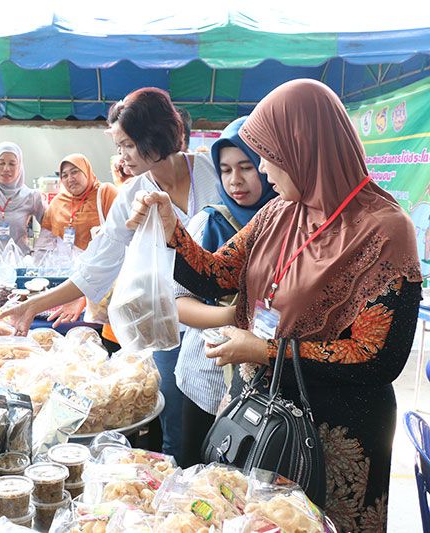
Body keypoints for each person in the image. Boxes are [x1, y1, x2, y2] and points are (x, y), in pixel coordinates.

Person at [126, 79, 420, 531]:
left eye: (268, 154)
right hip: (263, 417)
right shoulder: (279, 212)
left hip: (337, 431)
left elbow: (378, 358)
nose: (262, 168)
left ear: (306, 148)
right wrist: (172, 229)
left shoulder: (384, 230)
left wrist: (264, 350)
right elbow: (217, 274)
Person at [0, 88, 220, 462]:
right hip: (170, 325)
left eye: (129, 145)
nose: (122, 157)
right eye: (119, 147)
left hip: (224, 321)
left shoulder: (213, 173)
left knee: (217, 425)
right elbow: (96, 268)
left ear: (155, 137)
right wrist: (34, 304)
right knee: (176, 429)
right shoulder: (133, 194)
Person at [173, 116, 277, 467]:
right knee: (197, 473)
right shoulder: (209, 222)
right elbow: (177, 304)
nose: (235, 180)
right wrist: (235, 316)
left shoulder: (288, 223)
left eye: (246, 167)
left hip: (264, 384)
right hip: (206, 377)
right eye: (226, 169)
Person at [35, 154, 119, 336]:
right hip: (68, 276)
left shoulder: (105, 193)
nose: (70, 178)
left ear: (87, 171)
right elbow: (45, 242)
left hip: (103, 281)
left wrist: (84, 293)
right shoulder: (58, 202)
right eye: (64, 175)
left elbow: (121, 242)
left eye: (75, 172)